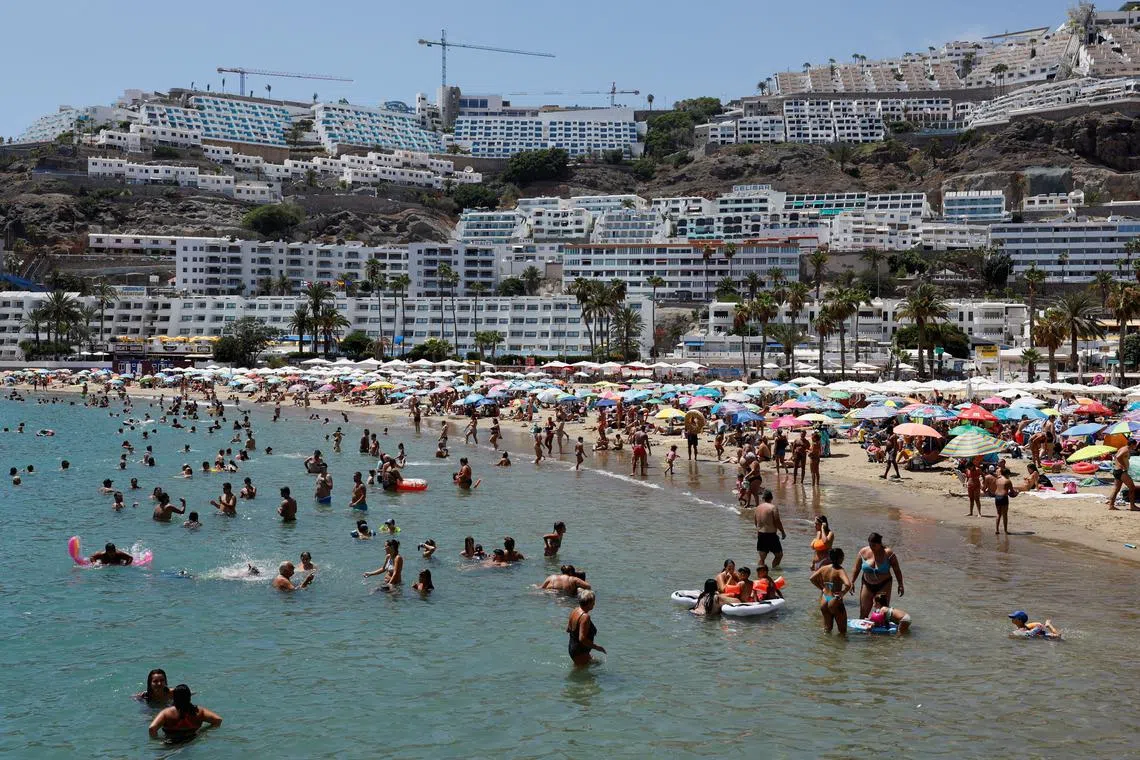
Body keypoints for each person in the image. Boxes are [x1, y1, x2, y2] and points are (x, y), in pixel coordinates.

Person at [850, 532, 905, 619]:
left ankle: (881, 629)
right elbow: (856, 569)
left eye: (874, 546)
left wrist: (900, 584)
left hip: (884, 584)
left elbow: (897, 570)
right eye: (870, 545)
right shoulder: (863, 552)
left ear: (880, 544)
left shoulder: (888, 553)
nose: (872, 548)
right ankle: (864, 632)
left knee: (882, 612)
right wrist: (852, 582)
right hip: (867, 583)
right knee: (863, 613)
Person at [148, 684, 222, 743]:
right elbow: (218, 720)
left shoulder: (166, 713)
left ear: (174, 697)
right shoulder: (199, 711)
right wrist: (202, 732)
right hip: (191, 741)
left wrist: (158, 741)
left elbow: (152, 728)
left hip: (170, 744)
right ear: (189, 697)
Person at [810, 548, 851, 635]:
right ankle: (839, 648)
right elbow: (848, 584)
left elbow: (812, 578)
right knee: (842, 632)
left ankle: (826, 647)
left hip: (825, 599)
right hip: (835, 599)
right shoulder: (840, 570)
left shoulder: (824, 568)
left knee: (827, 630)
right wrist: (843, 593)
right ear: (840, 558)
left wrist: (822, 588)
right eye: (843, 557)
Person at [566, 589, 606, 665]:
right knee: (584, 672)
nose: (594, 603)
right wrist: (597, 647)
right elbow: (582, 639)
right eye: (593, 601)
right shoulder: (585, 617)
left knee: (595, 663)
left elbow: (568, 629)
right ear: (589, 603)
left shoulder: (575, 610)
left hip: (573, 648)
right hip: (580, 652)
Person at [753, 490, 786, 568]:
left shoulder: (758, 508)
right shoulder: (773, 507)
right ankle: (774, 572)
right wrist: (782, 532)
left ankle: (760, 575)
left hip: (761, 535)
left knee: (762, 558)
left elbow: (755, 523)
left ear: (763, 498)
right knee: (779, 555)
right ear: (771, 498)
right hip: (771, 535)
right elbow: (777, 521)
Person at [1108, 439, 1138, 511]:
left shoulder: (1122, 448)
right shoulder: (1126, 450)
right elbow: (1118, 457)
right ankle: (1132, 506)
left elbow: (1116, 456)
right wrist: (1123, 465)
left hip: (1117, 471)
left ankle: (1111, 505)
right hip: (1121, 472)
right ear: (1131, 444)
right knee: (1132, 487)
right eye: (1135, 445)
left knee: (1116, 489)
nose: (1135, 446)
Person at [994, 467, 1016, 535]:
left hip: (997, 497)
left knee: (998, 514)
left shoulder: (997, 480)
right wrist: (1016, 493)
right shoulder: (1007, 481)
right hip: (1003, 497)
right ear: (1007, 474)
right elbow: (1012, 492)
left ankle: (997, 530)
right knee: (1005, 514)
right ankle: (1005, 530)